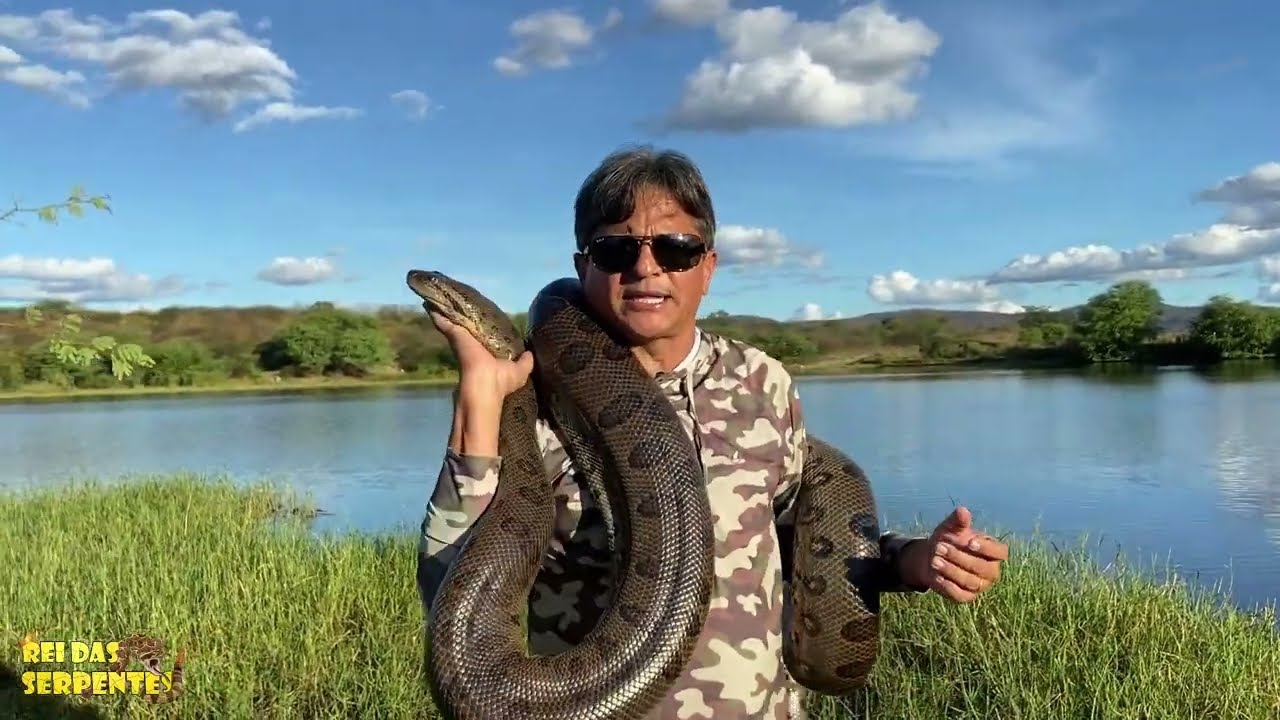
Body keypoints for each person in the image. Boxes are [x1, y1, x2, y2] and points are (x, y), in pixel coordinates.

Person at [417, 146, 1009, 719]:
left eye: (675, 249)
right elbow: (445, 582)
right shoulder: (525, 397)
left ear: (707, 268)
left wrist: (915, 561)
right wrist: (480, 398)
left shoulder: (761, 382)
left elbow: (783, 530)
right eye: (616, 248)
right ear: (582, 267)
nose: (645, 268)